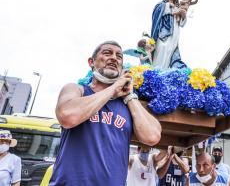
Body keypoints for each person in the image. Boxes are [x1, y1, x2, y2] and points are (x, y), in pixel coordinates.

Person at [49, 41, 162, 185]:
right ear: (91, 62)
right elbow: (67, 116)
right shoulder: (77, 90)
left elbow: (152, 136)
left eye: (119, 56)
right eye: (107, 53)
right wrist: (114, 88)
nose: (114, 58)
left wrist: (130, 96)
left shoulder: (127, 104)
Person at [151, 0, 188, 69]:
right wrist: (168, 6)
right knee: (162, 48)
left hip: (175, 32)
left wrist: (183, 14)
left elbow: (182, 23)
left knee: (171, 50)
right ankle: (157, 69)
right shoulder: (162, 4)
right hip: (165, 32)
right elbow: (157, 14)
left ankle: (167, 70)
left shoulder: (177, 7)